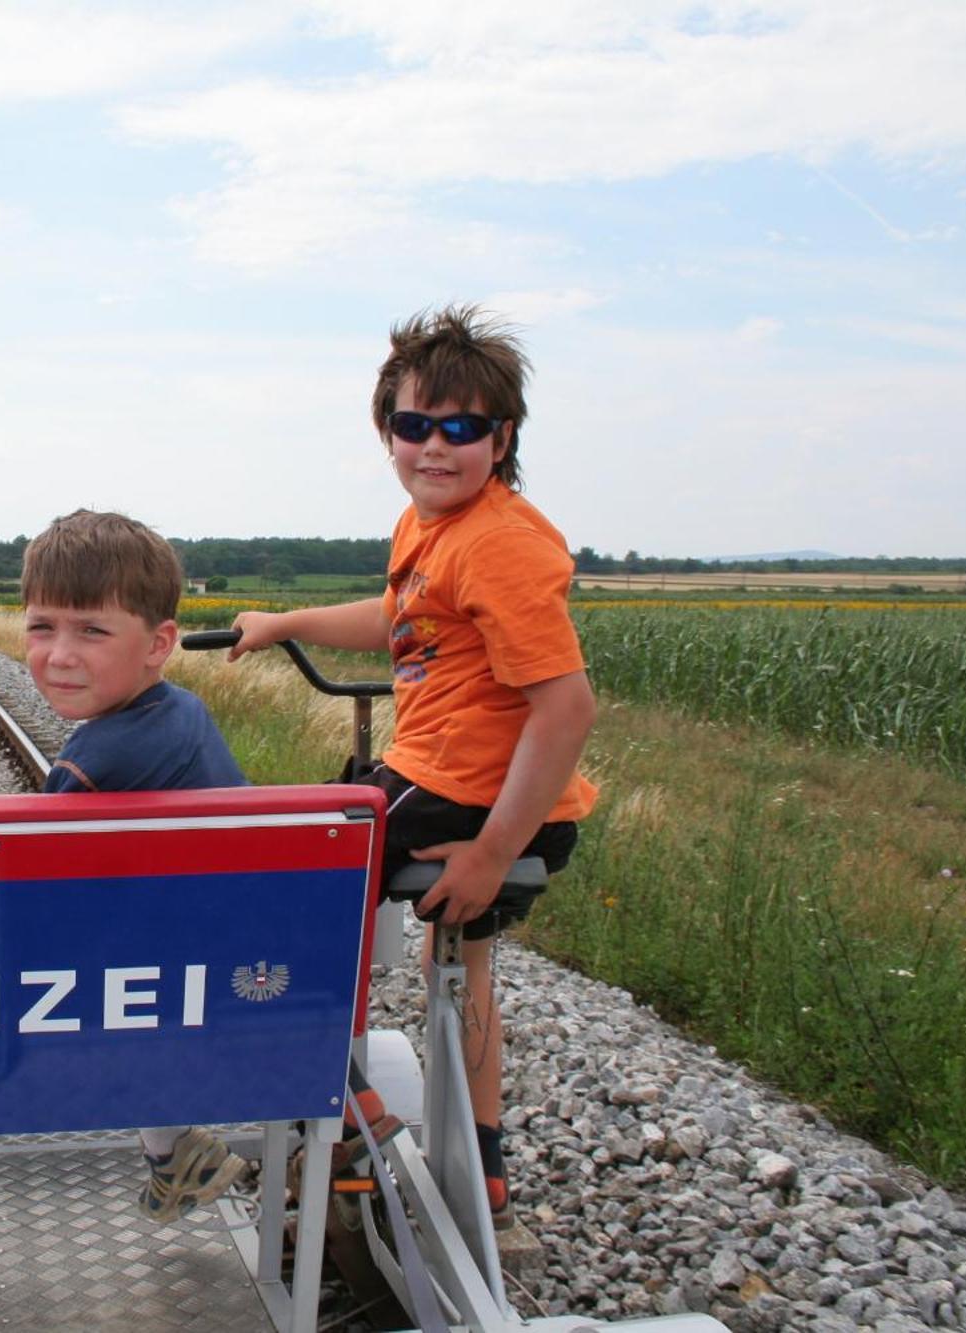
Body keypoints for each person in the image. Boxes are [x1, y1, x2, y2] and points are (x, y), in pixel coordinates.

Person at [229, 305, 596, 1228]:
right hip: (455, 780)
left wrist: (487, 851)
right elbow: (399, 621)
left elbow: (567, 707)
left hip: (475, 794)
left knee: (287, 872)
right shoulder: (433, 526)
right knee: (458, 957)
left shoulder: (501, 543)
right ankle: (482, 1157)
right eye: (415, 424)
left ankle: (346, 1100)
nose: (436, 446)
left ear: (500, 437)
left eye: (463, 428)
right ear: (388, 430)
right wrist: (285, 623)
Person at [21, 509, 251, 1222]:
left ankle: (172, 1150)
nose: (60, 653)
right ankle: (172, 1148)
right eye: (42, 626)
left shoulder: (98, 761)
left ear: (159, 644)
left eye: (92, 630)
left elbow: (27, 887)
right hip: (223, 956)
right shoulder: (180, 711)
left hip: (177, 987)